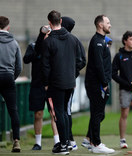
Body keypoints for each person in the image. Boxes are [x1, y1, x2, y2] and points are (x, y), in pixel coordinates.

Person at [42, 10, 84, 155]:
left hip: (56, 82)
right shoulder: (73, 39)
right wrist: (73, 73)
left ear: (49, 23)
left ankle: (64, 145)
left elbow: (45, 65)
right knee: (65, 112)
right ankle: (66, 143)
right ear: (60, 21)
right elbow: (80, 60)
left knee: (59, 112)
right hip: (70, 81)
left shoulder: (48, 41)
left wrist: (46, 83)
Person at [23, 25, 60, 151]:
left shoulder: (53, 46)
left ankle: (57, 141)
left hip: (51, 85)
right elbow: (26, 59)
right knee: (38, 114)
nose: (46, 35)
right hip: (37, 85)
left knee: (53, 113)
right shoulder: (33, 46)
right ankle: (38, 142)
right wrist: (37, 51)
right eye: (44, 33)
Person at [82, 14, 114, 154]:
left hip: (100, 83)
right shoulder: (97, 42)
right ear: (100, 25)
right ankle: (96, 144)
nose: (110, 25)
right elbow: (98, 65)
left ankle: (89, 139)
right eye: (107, 22)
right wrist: (104, 82)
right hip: (97, 84)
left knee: (99, 114)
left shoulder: (102, 40)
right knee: (97, 113)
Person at [61, 16, 86, 151]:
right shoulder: (67, 39)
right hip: (65, 80)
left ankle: (69, 139)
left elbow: (82, 60)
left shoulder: (73, 40)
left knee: (65, 111)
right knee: (63, 111)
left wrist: (72, 73)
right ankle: (65, 139)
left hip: (66, 81)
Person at [0, 16, 22, 152]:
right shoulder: (14, 43)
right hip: (8, 77)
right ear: (8, 27)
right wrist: (12, 77)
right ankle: (16, 141)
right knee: (13, 110)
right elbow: (18, 66)